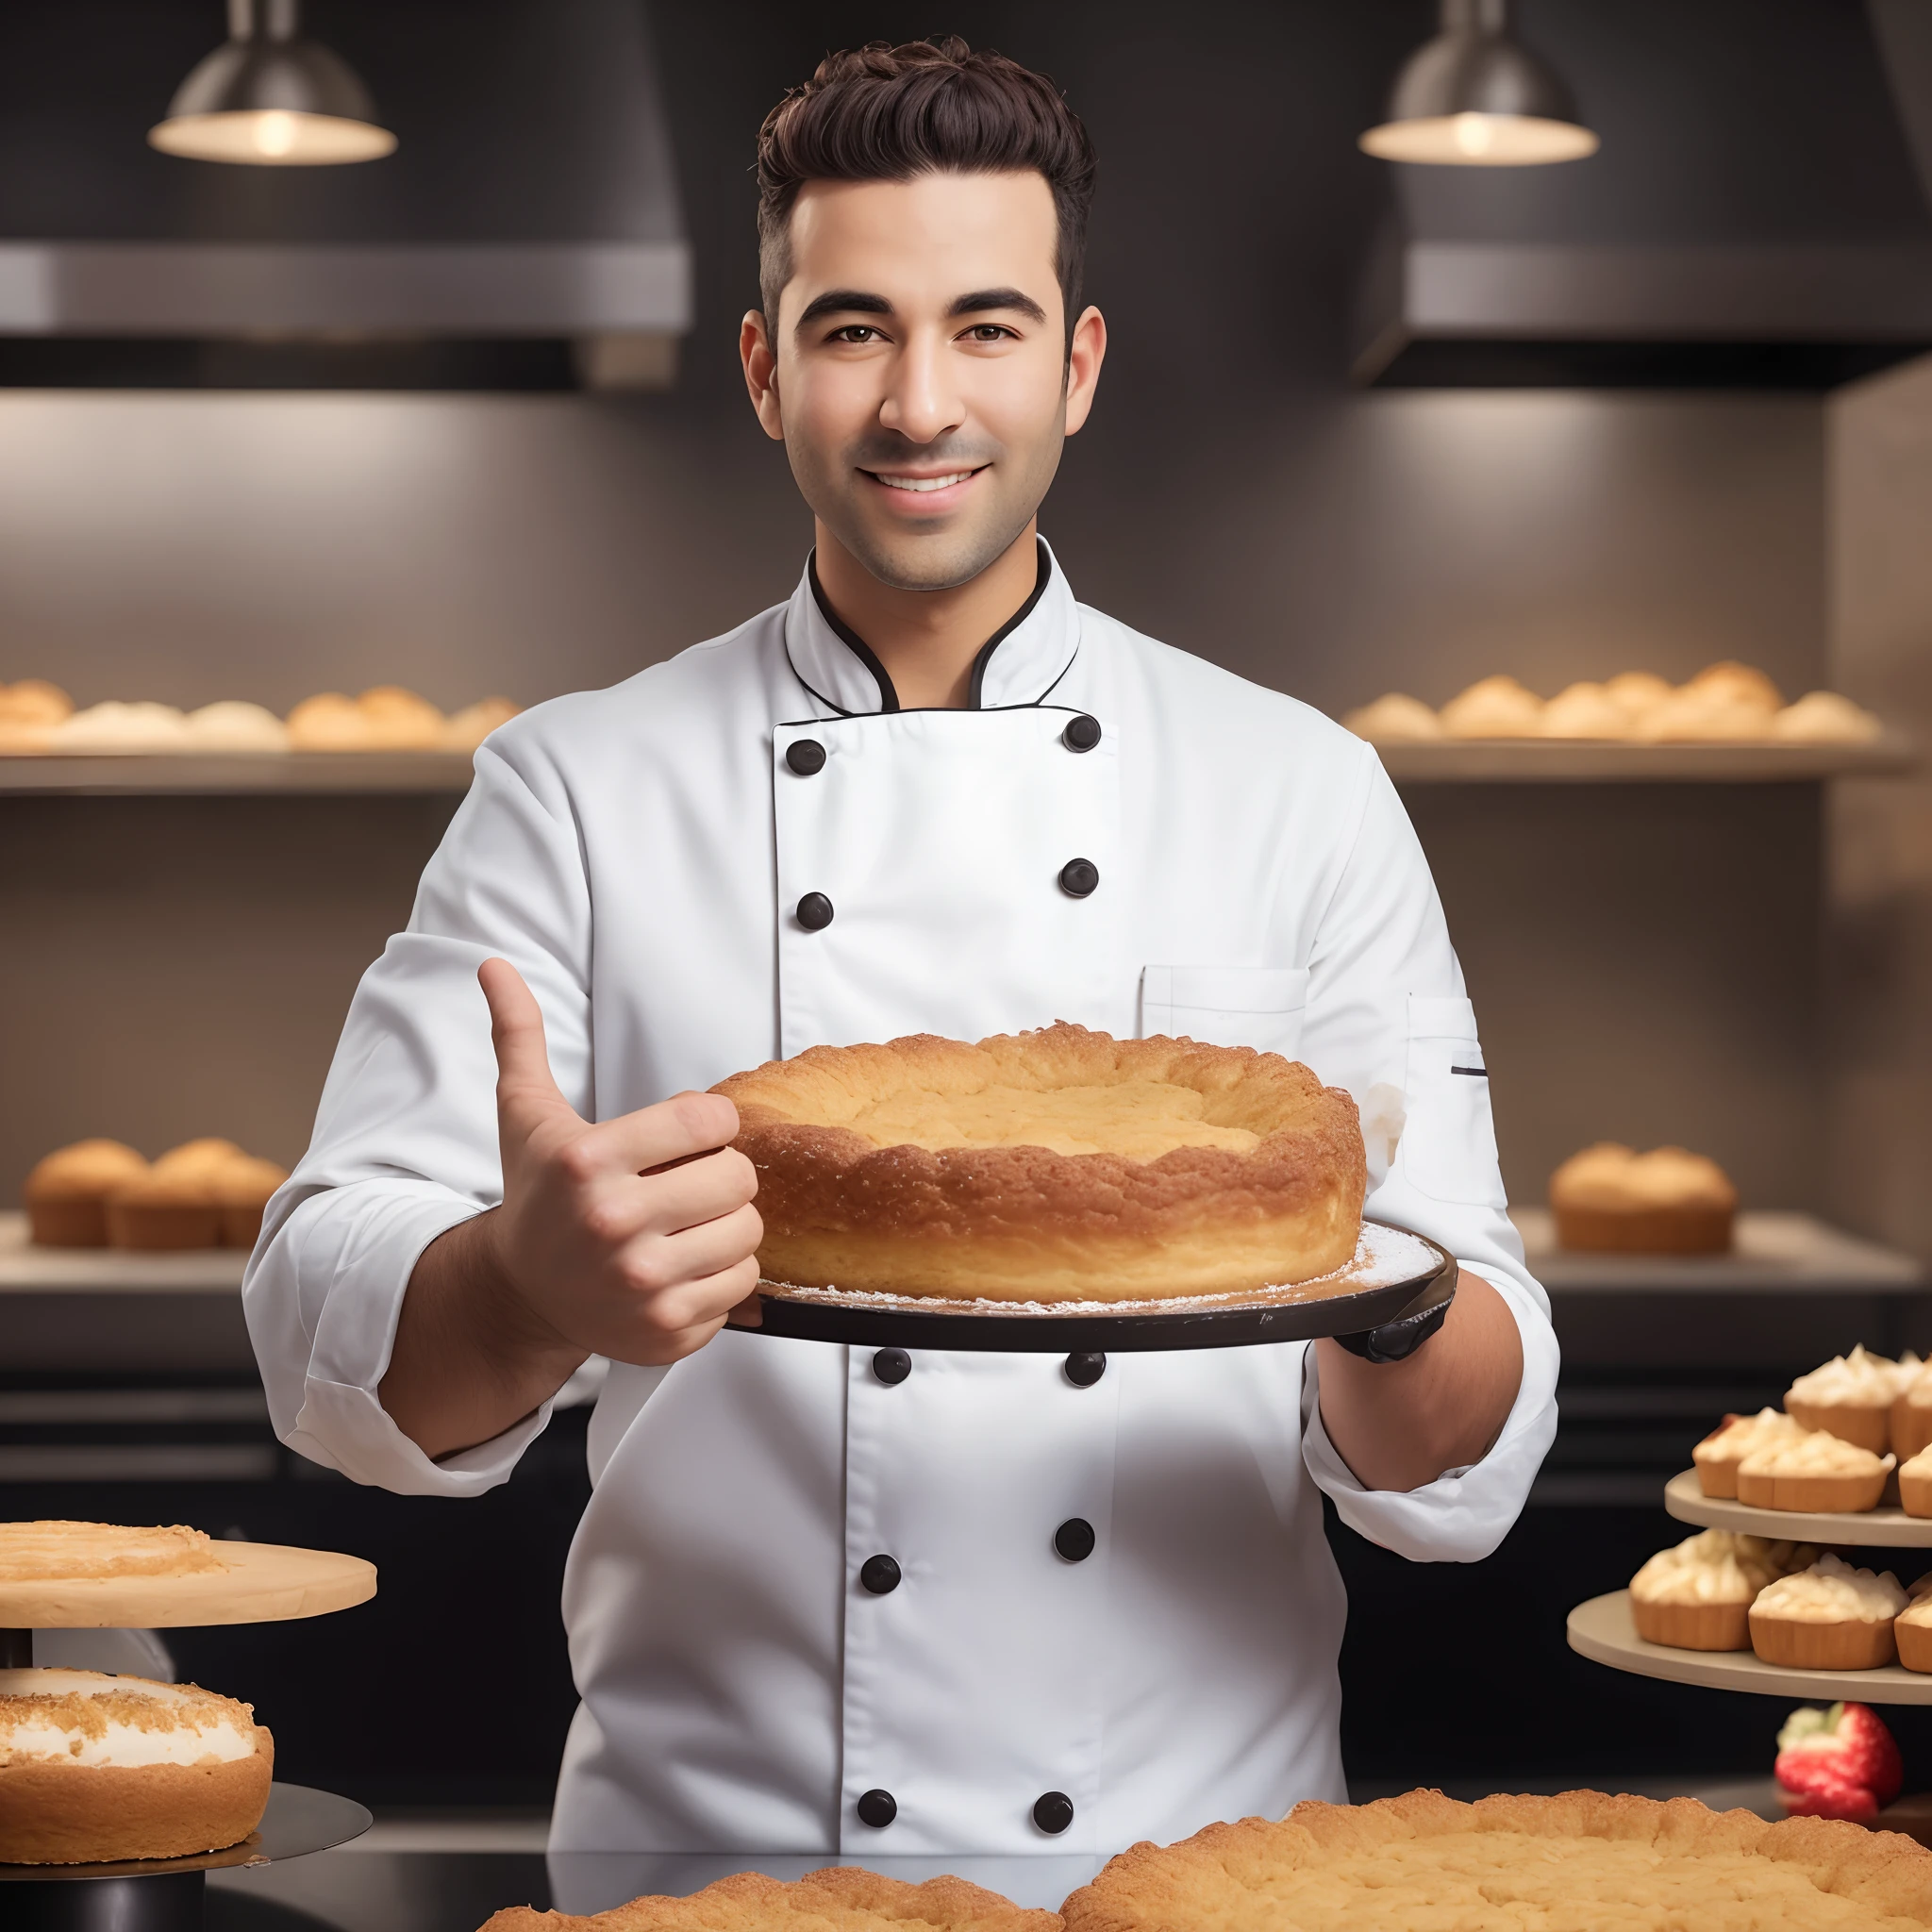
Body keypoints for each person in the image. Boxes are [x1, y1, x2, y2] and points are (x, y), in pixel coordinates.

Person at [245, 38, 1556, 1858]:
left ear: (1079, 369)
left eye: (990, 329)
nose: (921, 403)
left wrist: (1380, 1294)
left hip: (1186, 1876)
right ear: (765, 370)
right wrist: (524, 1285)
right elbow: (323, 1332)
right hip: (713, 1875)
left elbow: (1466, 1446)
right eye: (855, 328)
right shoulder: (577, 787)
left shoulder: (1298, 789)